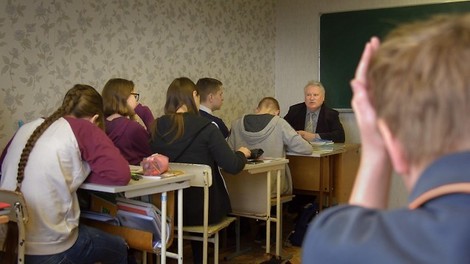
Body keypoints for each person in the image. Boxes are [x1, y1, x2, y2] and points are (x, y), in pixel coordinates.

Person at [302, 13, 470, 263]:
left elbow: (350, 246)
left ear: (395, 148)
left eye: (315, 94)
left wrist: (375, 149)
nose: (311, 98)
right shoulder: (295, 111)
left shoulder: (335, 243)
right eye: (309, 94)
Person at [0, 85, 131, 263]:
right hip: (51, 248)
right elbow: (121, 175)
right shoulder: (85, 128)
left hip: (9, 244)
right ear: (95, 119)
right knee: (119, 247)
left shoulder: (28, 127)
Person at [149, 77, 250, 263]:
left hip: (168, 210)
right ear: (194, 95)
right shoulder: (207, 128)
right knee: (204, 196)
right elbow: (233, 166)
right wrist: (243, 154)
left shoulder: (156, 126)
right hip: (204, 212)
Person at [227, 97, 312, 196]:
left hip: (240, 188)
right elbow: (306, 149)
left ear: (257, 110)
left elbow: (228, 152)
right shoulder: (279, 123)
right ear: (277, 112)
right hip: (272, 187)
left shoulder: (236, 123)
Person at [102, 78, 154, 165]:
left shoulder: (101, 124)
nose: (136, 100)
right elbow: (151, 153)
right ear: (124, 97)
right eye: (134, 95)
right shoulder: (132, 127)